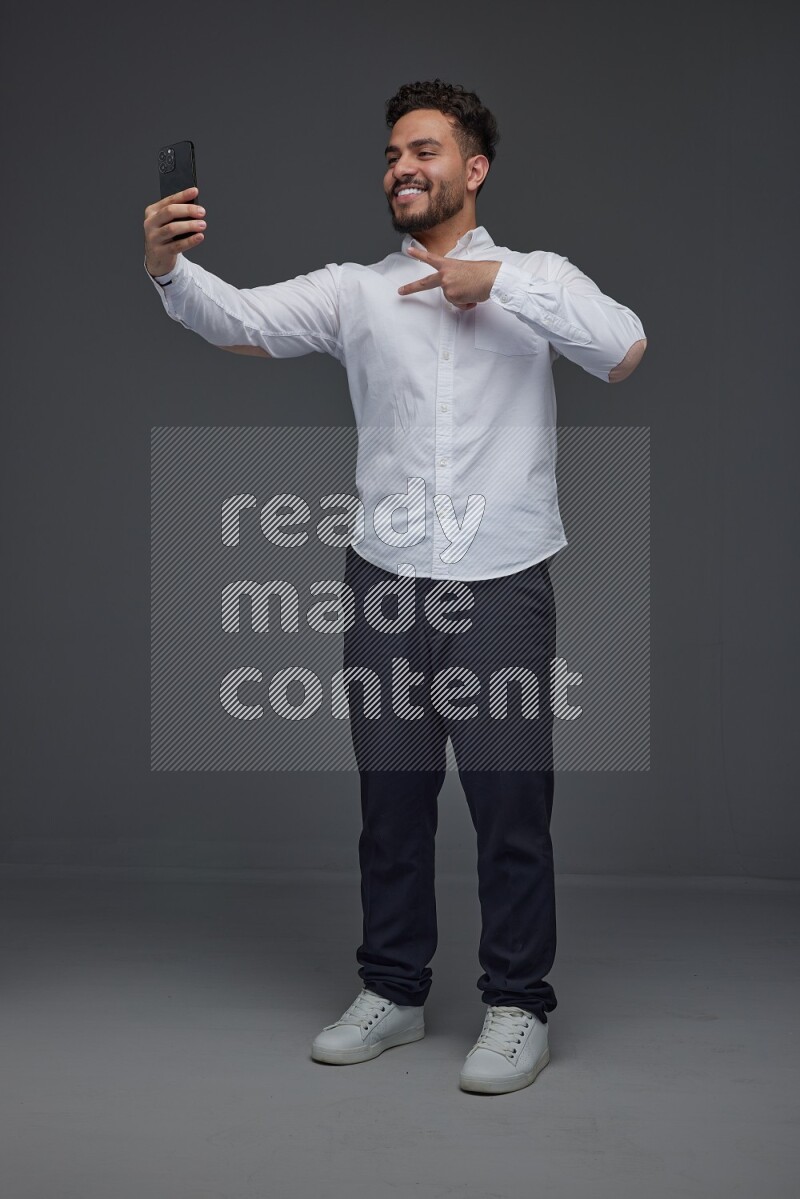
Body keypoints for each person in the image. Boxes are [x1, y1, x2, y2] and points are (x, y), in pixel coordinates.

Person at [143, 78, 646, 1095]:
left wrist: (493, 283)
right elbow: (238, 319)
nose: (401, 167)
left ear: (474, 167)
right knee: (391, 802)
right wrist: (166, 267)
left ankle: (516, 1004)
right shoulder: (355, 291)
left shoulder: (536, 274)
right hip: (383, 583)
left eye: (422, 149)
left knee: (509, 802)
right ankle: (394, 988)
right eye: (390, 154)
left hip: (500, 582)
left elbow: (622, 348)